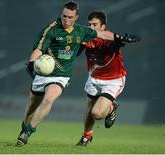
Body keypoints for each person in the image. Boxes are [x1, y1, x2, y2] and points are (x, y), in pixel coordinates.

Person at [16, 1, 138, 147]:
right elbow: (39, 48)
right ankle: (25, 128)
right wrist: (32, 62)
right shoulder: (54, 30)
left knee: (52, 100)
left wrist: (120, 38)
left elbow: (104, 35)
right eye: (64, 16)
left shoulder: (92, 35)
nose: (66, 20)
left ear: (76, 17)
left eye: (70, 17)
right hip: (55, 74)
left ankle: (28, 132)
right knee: (32, 105)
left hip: (74, 76)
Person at [76, 11, 140, 146]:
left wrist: (120, 41)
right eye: (89, 24)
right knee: (89, 110)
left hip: (113, 80)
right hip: (94, 78)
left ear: (103, 27)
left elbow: (112, 41)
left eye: (95, 24)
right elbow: (76, 52)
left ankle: (111, 107)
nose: (91, 27)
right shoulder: (87, 37)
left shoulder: (109, 38)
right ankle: (86, 136)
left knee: (97, 114)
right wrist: (78, 46)